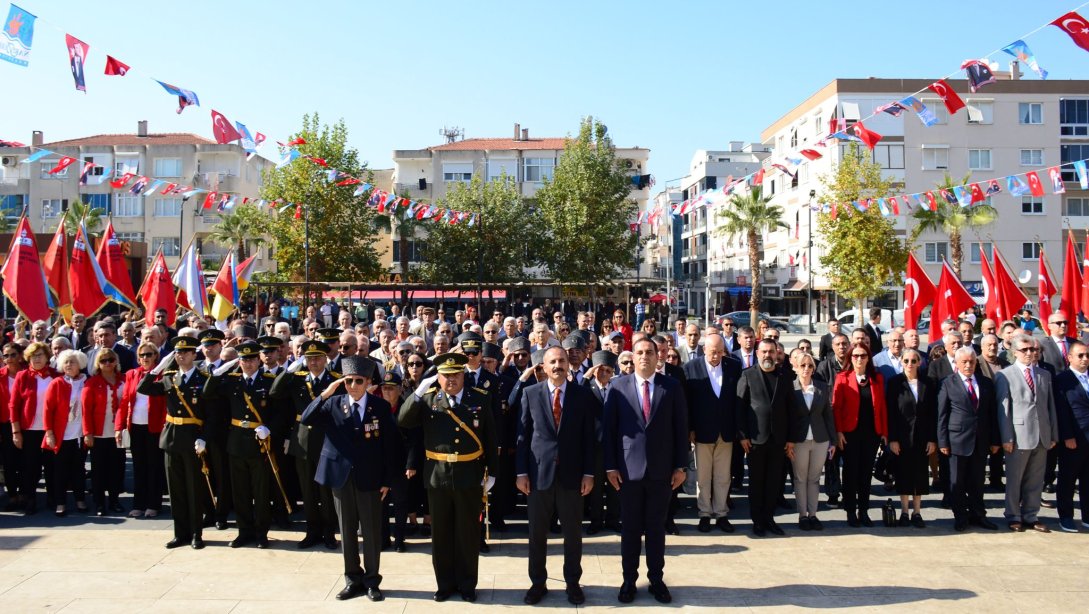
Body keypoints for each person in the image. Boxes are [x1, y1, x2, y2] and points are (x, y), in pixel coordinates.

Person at [398, 353, 499, 603]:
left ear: (463, 374)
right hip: (438, 476)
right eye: (445, 375)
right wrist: (418, 392)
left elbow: (490, 438)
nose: (451, 379)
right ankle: (444, 584)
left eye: (455, 374)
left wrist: (493, 472)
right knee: (441, 535)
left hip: (469, 474)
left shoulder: (480, 398)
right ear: (437, 377)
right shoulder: (429, 399)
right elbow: (403, 420)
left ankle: (467, 584)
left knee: (467, 533)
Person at [302, 355, 396, 602]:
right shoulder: (333, 403)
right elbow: (307, 418)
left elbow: (391, 446)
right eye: (348, 381)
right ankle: (352, 578)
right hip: (340, 476)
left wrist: (387, 480)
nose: (352, 386)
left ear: (368, 383)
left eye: (358, 381)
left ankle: (372, 580)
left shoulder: (380, 407)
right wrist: (327, 391)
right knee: (346, 530)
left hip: (370, 477)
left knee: (372, 531)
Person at [603, 337, 688, 604]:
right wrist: (610, 466)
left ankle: (656, 579)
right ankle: (629, 579)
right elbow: (609, 431)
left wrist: (681, 466)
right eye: (639, 352)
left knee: (656, 528)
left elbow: (681, 428)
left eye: (649, 352)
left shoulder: (671, 386)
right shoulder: (617, 387)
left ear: (657, 356)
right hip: (628, 472)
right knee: (629, 529)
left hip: (662, 471)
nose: (644, 357)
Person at [515, 347, 596, 606]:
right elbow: (522, 437)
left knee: (572, 533)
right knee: (537, 533)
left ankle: (573, 583)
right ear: (543, 367)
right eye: (553, 361)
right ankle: (538, 583)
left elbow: (589, 439)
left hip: (572, 476)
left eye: (562, 360)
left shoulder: (583, 395)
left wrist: (588, 473)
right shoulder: (530, 394)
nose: (558, 365)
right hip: (538, 475)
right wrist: (521, 473)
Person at [138, 336, 210, 549]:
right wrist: (158, 368)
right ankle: (181, 533)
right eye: (178, 352)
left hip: (193, 438)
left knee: (194, 489)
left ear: (194, 355)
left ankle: (197, 533)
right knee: (176, 489)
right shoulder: (169, 377)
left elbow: (212, 413)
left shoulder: (203, 378)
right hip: (171, 438)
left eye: (186, 352)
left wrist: (204, 437)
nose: (181, 355)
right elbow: (144, 388)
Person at [270, 339, 340, 550]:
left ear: (326, 358)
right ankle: (312, 531)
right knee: (307, 491)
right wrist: (289, 370)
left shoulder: (334, 381)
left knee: (325, 491)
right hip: (302, 440)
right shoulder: (297, 380)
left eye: (318, 358)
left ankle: (329, 532)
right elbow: (275, 391)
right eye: (309, 358)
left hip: (327, 439)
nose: (314, 362)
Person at [995, 333, 1059, 532]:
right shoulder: (1005, 375)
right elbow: (1003, 409)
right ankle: (1013, 515)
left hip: (1042, 435)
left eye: (1033, 349)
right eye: (1025, 350)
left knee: (1035, 479)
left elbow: (1051, 406)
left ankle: (1031, 515)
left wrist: (1053, 434)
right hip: (1018, 436)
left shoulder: (1044, 374)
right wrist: (1007, 437)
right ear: (1015, 353)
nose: (1030, 353)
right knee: (1015, 480)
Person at [938, 347, 1000, 532]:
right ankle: (961, 516)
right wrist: (943, 442)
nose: (968, 365)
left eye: (971, 361)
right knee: (957, 482)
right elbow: (942, 414)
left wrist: (995, 440)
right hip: (957, 440)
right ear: (956, 363)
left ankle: (978, 514)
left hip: (981, 440)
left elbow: (993, 414)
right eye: (964, 362)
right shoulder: (947, 383)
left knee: (977, 481)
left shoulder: (986, 383)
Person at [683, 333, 740, 533]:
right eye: (712, 352)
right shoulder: (691, 368)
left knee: (723, 476)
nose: (716, 356)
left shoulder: (733, 366)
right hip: (702, 432)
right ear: (704, 349)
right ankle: (705, 514)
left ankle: (721, 513)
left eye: (719, 352)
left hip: (726, 431)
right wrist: (690, 428)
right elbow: (687, 403)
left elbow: (737, 401)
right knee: (704, 476)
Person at [737, 338, 792, 536]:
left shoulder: (785, 376)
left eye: (771, 351)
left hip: (778, 439)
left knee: (774, 482)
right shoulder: (747, 375)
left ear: (777, 354)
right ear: (757, 353)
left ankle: (769, 518)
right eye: (764, 352)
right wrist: (742, 435)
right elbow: (740, 407)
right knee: (757, 483)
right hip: (755, 440)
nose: (768, 355)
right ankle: (757, 521)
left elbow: (790, 408)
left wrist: (791, 439)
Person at [832, 343, 888, 527]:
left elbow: (881, 408)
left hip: (871, 434)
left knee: (865, 474)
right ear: (850, 358)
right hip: (849, 434)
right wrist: (838, 431)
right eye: (855, 356)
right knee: (850, 473)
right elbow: (836, 408)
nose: (859, 359)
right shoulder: (843, 377)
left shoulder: (877, 378)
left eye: (862, 355)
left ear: (868, 358)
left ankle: (863, 510)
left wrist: (884, 432)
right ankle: (850, 511)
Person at [885, 348, 937, 527]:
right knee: (904, 473)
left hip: (922, 436)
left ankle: (917, 512)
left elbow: (932, 413)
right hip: (902, 436)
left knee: (920, 473)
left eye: (913, 361)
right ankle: (904, 511)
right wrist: (892, 438)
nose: (909, 364)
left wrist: (932, 439)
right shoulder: (894, 383)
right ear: (901, 362)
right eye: (906, 361)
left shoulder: (928, 383)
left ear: (919, 363)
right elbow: (891, 412)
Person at [9, 341, 59, 515]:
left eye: (40, 355)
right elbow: (13, 405)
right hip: (29, 430)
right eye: (32, 356)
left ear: (47, 357)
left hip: (51, 430)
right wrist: (16, 432)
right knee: (31, 467)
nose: (36, 359)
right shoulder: (23, 376)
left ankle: (53, 498)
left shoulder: (55, 375)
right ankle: (30, 499)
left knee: (52, 466)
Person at [787, 352, 835, 530]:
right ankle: (802, 516)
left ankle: (813, 514)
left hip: (820, 439)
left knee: (814, 479)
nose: (806, 369)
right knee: (800, 479)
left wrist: (833, 441)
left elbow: (828, 415)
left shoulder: (822, 387)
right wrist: (788, 441)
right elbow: (787, 417)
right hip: (798, 441)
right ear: (796, 367)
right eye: (802, 365)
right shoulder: (790, 388)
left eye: (809, 365)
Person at [120, 341, 166, 518]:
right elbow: (125, 401)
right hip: (136, 426)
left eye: (149, 354)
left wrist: (163, 426)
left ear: (156, 356)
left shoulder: (161, 375)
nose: (145, 358)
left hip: (154, 427)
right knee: (139, 466)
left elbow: (164, 405)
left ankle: (154, 504)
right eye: (142, 355)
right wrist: (120, 427)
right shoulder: (132, 374)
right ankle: (138, 504)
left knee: (154, 466)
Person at [43, 349, 89, 516]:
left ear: (80, 364)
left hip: (80, 434)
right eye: (67, 362)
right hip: (61, 434)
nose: (69, 365)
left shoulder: (86, 382)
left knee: (78, 469)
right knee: (60, 470)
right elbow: (47, 410)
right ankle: (60, 502)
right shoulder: (57, 383)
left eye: (73, 361)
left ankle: (80, 499)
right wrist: (49, 433)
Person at [82, 348, 126, 516]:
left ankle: (114, 500)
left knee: (116, 468)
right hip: (99, 432)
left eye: (110, 359)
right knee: (99, 470)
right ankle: (99, 503)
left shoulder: (123, 379)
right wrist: (88, 433)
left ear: (116, 361)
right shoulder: (92, 382)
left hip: (118, 432)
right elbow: (86, 410)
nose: (107, 363)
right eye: (103, 360)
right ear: (98, 364)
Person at [1054, 340, 1089, 532]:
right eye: (1080, 356)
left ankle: (1087, 516)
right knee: (1068, 479)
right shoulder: (1063, 379)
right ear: (1070, 358)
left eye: (1087, 356)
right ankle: (1066, 516)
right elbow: (1062, 410)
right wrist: (1067, 436)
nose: (1085, 359)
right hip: (1073, 438)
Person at [0, 341, 26, 512]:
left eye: (13, 355)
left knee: (26, 463)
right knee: (8, 463)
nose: (9, 359)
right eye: (6, 355)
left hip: (26, 425)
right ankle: (12, 496)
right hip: (5, 425)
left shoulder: (28, 374)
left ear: (20, 355)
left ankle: (25, 495)